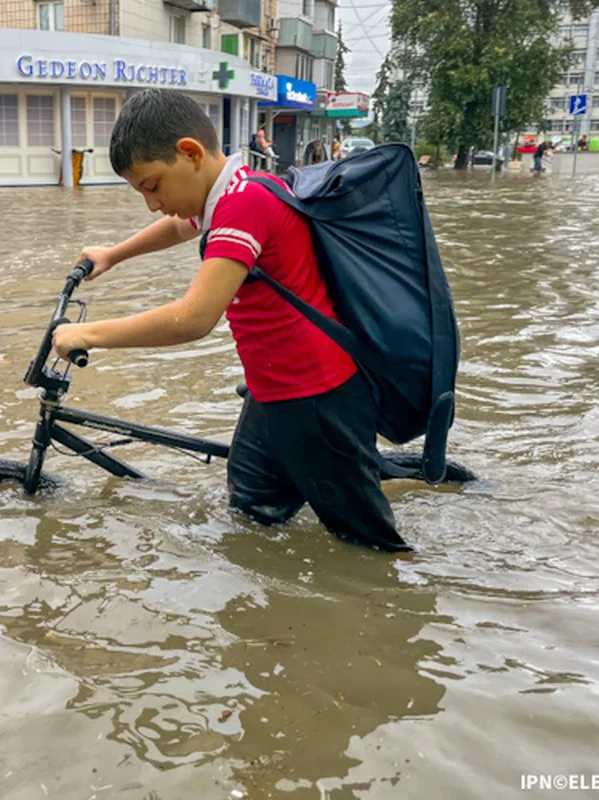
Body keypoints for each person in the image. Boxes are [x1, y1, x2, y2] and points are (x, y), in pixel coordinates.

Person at [51, 88, 407, 552]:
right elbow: (183, 224)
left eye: (152, 186)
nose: (152, 204)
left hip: (316, 398)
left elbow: (193, 318)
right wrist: (114, 255)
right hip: (275, 392)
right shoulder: (238, 189)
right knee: (251, 518)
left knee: (368, 546)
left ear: (190, 153)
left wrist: (89, 333)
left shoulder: (245, 203)